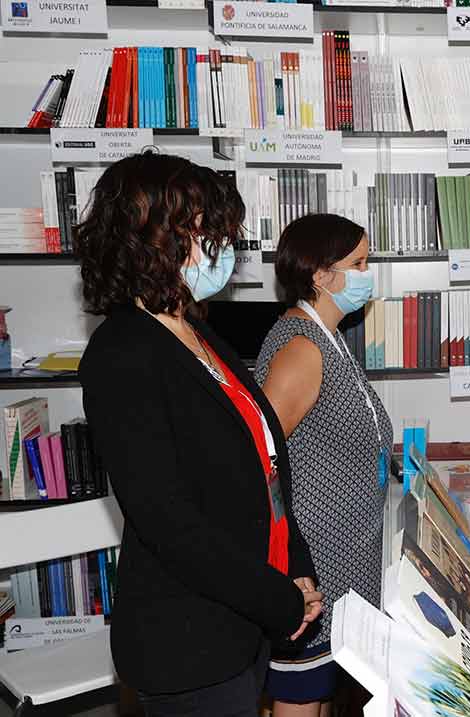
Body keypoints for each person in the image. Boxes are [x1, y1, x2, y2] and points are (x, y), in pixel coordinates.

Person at [76, 152, 323, 716]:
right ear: (151, 240)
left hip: (244, 621)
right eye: (204, 231)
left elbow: (266, 471)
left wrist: (297, 569)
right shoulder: (123, 355)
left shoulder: (198, 332)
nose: (222, 247)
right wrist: (279, 600)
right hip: (188, 638)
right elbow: (171, 523)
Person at [256, 214, 393, 717]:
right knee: (300, 696)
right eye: (358, 263)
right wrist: (290, 567)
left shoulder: (327, 336)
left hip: (343, 559)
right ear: (320, 275)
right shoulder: (300, 348)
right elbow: (260, 463)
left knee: (320, 695)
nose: (367, 272)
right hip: (313, 565)